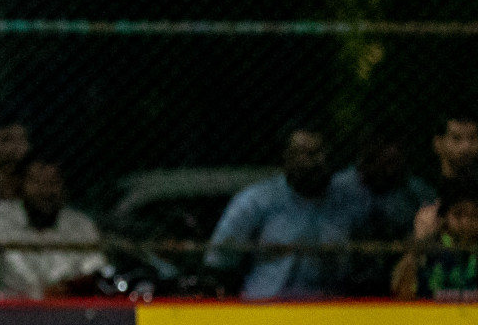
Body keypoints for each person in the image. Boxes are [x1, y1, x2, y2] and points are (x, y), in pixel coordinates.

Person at [204, 126, 360, 300]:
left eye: (321, 153)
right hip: (266, 304)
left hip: (330, 306)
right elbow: (220, 260)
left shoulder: (347, 203)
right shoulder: (256, 200)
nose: (317, 162)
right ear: (286, 157)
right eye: (306, 154)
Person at [0, 156, 106, 299]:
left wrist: (69, 287)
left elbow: (95, 269)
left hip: (64, 313)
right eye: (37, 182)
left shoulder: (80, 224)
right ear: (22, 185)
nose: (45, 190)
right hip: (10, 312)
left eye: (53, 182)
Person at [332, 133, 435, 296]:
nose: (385, 168)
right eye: (378, 160)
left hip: (398, 280)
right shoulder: (339, 187)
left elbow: (431, 236)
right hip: (345, 280)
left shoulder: (417, 192)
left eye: (392, 162)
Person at [393, 178, 478, 300]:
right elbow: (402, 294)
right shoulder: (429, 250)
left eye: (474, 215)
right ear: (444, 218)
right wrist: (415, 253)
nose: (466, 222)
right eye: (458, 214)